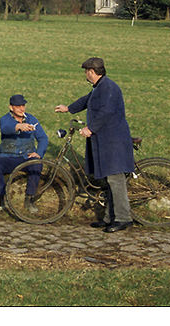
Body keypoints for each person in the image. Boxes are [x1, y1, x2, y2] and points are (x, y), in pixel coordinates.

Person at [55, 57, 135, 233]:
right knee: (109, 180)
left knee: (115, 179)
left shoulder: (109, 88)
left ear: (92, 72)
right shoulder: (100, 87)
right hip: (106, 140)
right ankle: (109, 218)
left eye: (86, 71)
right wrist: (69, 108)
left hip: (114, 141)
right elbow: (87, 100)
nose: (85, 74)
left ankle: (123, 218)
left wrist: (90, 128)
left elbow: (107, 112)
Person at [0, 94, 49, 213]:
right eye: (18, 106)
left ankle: (29, 198)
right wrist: (18, 126)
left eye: (23, 105)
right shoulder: (5, 119)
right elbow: (5, 128)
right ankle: (3, 197)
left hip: (26, 157)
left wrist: (39, 153)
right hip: (8, 157)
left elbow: (43, 138)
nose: (22, 109)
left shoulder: (32, 119)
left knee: (37, 165)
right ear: (11, 107)